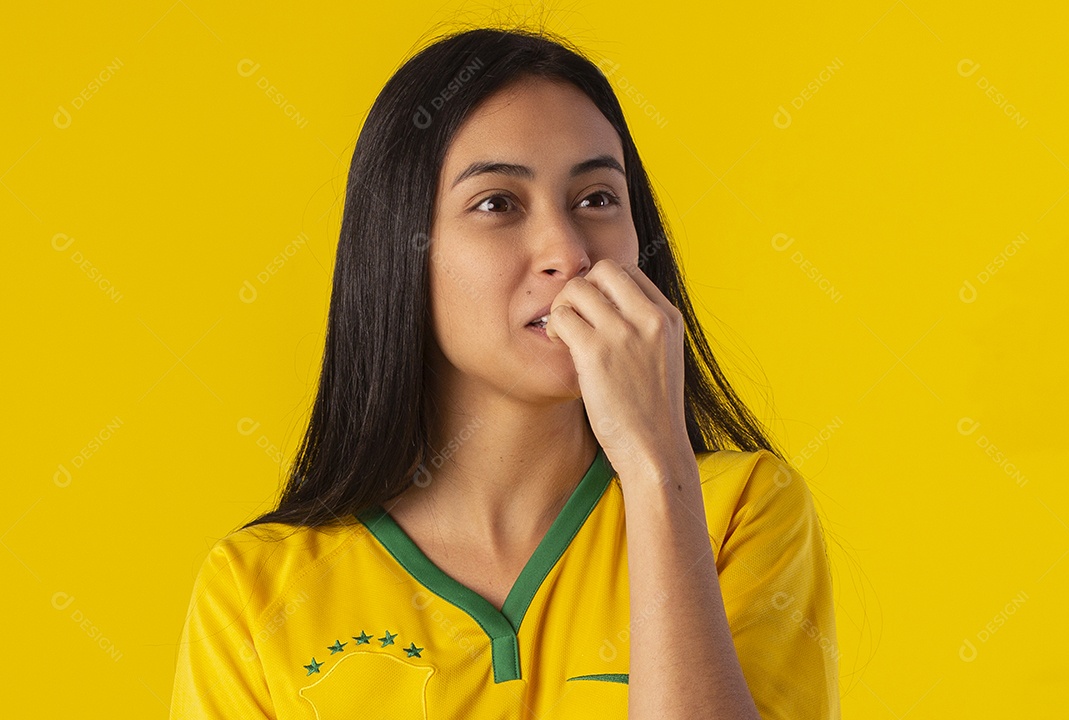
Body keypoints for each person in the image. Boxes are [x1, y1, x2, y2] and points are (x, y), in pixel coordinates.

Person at [169, 24, 840, 720]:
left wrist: (654, 467)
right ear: (404, 252)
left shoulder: (741, 512)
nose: (568, 251)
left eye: (597, 199)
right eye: (497, 204)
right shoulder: (256, 592)